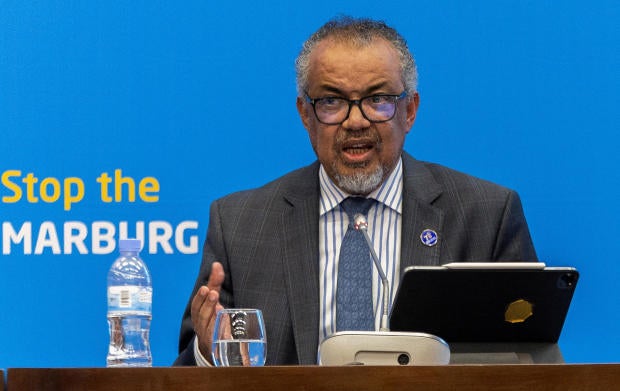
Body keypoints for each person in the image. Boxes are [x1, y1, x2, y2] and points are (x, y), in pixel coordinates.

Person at [174, 16, 537, 366]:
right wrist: (208, 353)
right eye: (331, 102)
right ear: (305, 114)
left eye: (377, 99)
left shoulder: (486, 215)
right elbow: (189, 370)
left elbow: (527, 362)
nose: (356, 121)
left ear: (409, 111)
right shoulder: (240, 225)